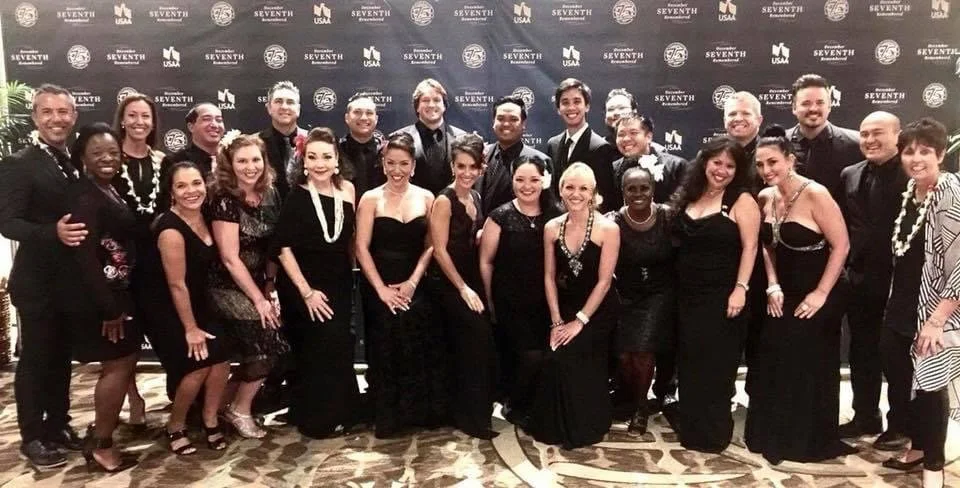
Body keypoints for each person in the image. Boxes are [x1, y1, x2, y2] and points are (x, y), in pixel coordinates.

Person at [745, 126, 857, 464]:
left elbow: (842, 246)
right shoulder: (765, 197)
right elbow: (766, 246)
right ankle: (772, 432)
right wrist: (772, 284)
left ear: (790, 159)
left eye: (773, 163)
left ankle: (806, 438)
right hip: (783, 291)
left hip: (818, 290)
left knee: (805, 361)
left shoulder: (816, 194)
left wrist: (821, 294)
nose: (767, 171)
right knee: (773, 359)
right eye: (761, 164)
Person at [0, 84, 84, 469]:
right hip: (36, 283)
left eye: (63, 112)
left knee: (61, 359)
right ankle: (32, 435)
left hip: (69, 284)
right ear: (35, 117)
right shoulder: (20, 163)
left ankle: (58, 425)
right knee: (35, 362)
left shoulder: (73, 159)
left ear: (73, 116)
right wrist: (52, 232)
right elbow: (8, 222)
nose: (56, 119)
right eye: (47, 112)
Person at [669, 135, 760, 453]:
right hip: (686, 296)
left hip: (723, 298)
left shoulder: (742, 200)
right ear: (704, 162)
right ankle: (692, 428)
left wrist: (741, 288)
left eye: (730, 166)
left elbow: (751, 248)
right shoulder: (690, 195)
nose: (721, 170)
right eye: (716, 162)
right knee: (691, 363)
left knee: (717, 366)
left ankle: (713, 433)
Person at [883, 118, 960, 488]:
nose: (915, 159)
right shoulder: (911, 193)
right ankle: (915, 447)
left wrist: (937, 320)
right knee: (902, 381)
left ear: (941, 154)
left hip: (933, 310)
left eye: (924, 151)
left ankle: (934, 470)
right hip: (902, 305)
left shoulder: (949, 191)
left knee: (930, 389)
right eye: (909, 151)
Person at [355, 132, 448, 437]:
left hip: (415, 283)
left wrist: (412, 282)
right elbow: (361, 248)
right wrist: (381, 289)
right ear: (383, 164)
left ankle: (419, 414)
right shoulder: (370, 198)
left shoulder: (426, 197)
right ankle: (388, 416)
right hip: (378, 284)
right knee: (385, 346)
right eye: (391, 163)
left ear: (413, 166)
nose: (397, 169)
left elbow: (432, 246)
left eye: (403, 163)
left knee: (417, 343)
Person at [272, 127, 362, 438]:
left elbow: (349, 239)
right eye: (313, 157)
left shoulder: (348, 190)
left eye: (326, 156)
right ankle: (317, 419)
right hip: (304, 285)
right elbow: (281, 247)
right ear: (304, 161)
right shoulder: (297, 194)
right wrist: (306, 292)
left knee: (339, 347)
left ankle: (344, 412)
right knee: (316, 349)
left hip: (339, 281)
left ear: (337, 159)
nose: (320, 163)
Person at [60, 123, 140, 472]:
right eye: (97, 153)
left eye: (113, 152)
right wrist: (108, 308)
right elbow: (85, 258)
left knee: (120, 365)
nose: (107, 158)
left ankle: (101, 435)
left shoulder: (108, 188)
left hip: (116, 293)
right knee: (118, 367)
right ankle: (104, 446)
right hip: (103, 301)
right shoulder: (83, 196)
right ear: (82, 158)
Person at [526, 162, 621, 449]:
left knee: (573, 356)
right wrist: (557, 321)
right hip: (564, 307)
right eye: (570, 187)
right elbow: (548, 276)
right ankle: (553, 425)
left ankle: (587, 423)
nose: (575, 193)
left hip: (597, 310)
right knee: (554, 355)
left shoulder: (609, 228)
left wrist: (578, 322)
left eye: (583, 188)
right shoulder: (552, 227)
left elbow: (605, 282)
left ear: (593, 192)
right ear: (560, 189)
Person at [138, 161, 230, 455]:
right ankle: (175, 425)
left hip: (197, 299)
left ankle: (210, 419)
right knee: (199, 365)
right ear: (171, 192)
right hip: (164, 307)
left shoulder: (205, 216)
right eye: (181, 186)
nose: (191, 191)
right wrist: (190, 329)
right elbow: (177, 285)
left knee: (222, 357)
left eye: (196, 183)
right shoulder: (170, 229)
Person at [208, 133, 288, 438]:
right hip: (225, 284)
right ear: (230, 163)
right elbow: (229, 258)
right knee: (268, 344)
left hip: (259, 281)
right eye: (242, 161)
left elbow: (273, 245)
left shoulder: (270, 194)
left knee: (270, 345)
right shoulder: (224, 198)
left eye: (256, 159)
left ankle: (218, 408)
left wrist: (270, 287)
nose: (250, 167)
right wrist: (259, 300)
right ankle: (238, 410)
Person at [838, 111, 909, 443]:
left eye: (878, 133)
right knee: (861, 352)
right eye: (864, 133)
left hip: (901, 281)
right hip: (859, 279)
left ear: (897, 136)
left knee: (896, 356)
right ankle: (865, 417)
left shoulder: (913, 174)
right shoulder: (849, 174)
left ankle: (901, 425)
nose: (869, 140)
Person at [479, 155, 560, 427]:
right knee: (528, 356)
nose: (527, 186)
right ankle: (516, 404)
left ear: (544, 181)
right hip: (510, 302)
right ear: (512, 181)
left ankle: (536, 404)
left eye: (534, 180)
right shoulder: (499, 217)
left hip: (547, 302)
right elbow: (486, 262)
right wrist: (490, 301)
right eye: (520, 180)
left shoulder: (556, 215)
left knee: (546, 357)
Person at [429, 133, 498, 439]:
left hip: (471, 277)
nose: (467, 172)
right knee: (474, 342)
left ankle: (475, 414)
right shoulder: (444, 200)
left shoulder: (476, 197)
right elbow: (439, 249)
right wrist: (462, 288)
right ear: (452, 166)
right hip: (449, 283)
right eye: (461, 166)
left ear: (481, 168)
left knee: (478, 347)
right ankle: (469, 418)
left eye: (473, 166)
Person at [605, 166, 675, 436]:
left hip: (659, 294)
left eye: (643, 188)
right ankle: (631, 398)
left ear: (653, 189)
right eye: (631, 188)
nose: (638, 193)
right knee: (624, 356)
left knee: (643, 352)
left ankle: (640, 408)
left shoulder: (668, 217)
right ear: (622, 192)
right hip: (625, 294)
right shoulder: (613, 221)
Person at [111, 92, 164, 428]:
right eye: (133, 115)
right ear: (122, 119)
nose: (139, 122)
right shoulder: (109, 160)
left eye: (146, 116)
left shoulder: (164, 161)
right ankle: (133, 399)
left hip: (158, 261)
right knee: (125, 340)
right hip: (119, 262)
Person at [785, 74, 862, 202]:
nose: (813, 109)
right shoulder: (778, 144)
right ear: (794, 107)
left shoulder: (856, 145)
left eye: (820, 103)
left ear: (830, 106)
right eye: (806, 103)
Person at [545, 78, 619, 212]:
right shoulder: (553, 144)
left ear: (587, 106)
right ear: (558, 108)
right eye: (565, 102)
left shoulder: (601, 147)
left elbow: (605, 198)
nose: (571, 107)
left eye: (577, 101)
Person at [475, 96, 552, 216]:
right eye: (500, 118)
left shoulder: (541, 161)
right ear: (493, 122)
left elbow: (548, 209)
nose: (506, 124)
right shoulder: (481, 155)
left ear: (523, 124)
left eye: (513, 119)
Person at [390, 79, 466, 195]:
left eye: (436, 100)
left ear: (444, 106)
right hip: (412, 209)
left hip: (454, 209)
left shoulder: (462, 138)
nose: (431, 105)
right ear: (417, 107)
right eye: (425, 100)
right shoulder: (397, 138)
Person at [158, 103, 225, 209]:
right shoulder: (174, 161)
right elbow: (165, 205)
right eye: (207, 119)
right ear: (191, 126)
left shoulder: (233, 159)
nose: (214, 125)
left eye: (219, 120)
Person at [612, 113, 688, 206]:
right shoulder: (612, 169)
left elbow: (683, 205)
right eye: (621, 134)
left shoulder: (676, 166)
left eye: (633, 133)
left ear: (649, 137)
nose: (626, 139)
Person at [258, 81, 307, 200]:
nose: (284, 106)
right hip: (266, 215)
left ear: (298, 109)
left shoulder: (312, 141)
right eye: (278, 101)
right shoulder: (255, 143)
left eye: (290, 102)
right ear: (269, 108)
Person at [339, 94, 385, 197]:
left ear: (376, 119)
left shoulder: (385, 153)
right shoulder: (336, 152)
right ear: (347, 117)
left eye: (369, 113)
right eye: (357, 112)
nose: (364, 118)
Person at [603, 88, 638, 153]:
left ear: (634, 112)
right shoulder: (598, 150)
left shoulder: (652, 150)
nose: (616, 113)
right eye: (611, 109)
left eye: (622, 108)